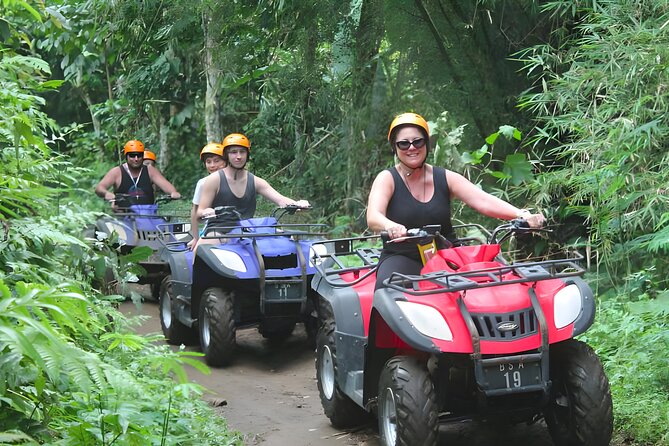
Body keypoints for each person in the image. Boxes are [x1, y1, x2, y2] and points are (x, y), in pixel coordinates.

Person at [366, 112, 546, 289]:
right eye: (404, 144)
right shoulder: (387, 178)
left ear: (426, 143)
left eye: (417, 141)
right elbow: (374, 216)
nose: (411, 147)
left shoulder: (444, 177)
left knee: (493, 286)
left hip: (448, 255)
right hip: (403, 256)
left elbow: (483, 200)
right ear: (395, 148)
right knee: (389, 291)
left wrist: (521, 214)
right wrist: (390, 225)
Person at [196, 132, 310, 228]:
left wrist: (297, 204)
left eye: (242, 152)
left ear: (247, 154)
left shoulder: (255, 181)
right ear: (226, 155)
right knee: (201, 250)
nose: (238, 156)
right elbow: (199, 213)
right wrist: (207, 212)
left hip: (247, 232)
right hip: (218, 232)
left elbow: (280, 199)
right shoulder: (213, 180)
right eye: (234, 152)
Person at [95, 139, 181, 209]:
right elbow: (99, 188)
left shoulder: (150, 170)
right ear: (126, 156)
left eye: (139, 155)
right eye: (132, 155)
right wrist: (106, 193)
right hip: (124, 216)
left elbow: (166, 186)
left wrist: (173, 192)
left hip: (148, 216)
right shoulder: (117, 172)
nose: (136, 159)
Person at [188, 142, 227, 248]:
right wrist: (195, 238)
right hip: (213, 228)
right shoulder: (202, 183)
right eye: (208, 162)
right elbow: (195, 211)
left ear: (225, 161)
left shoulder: (235, 179)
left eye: (216, 161)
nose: (212, 165)